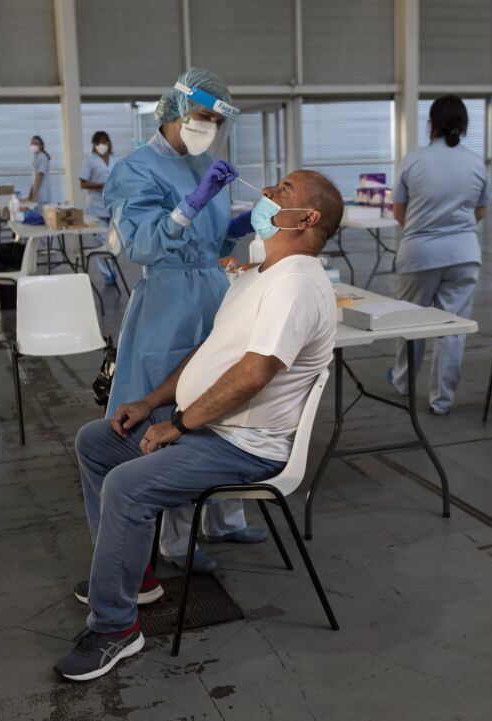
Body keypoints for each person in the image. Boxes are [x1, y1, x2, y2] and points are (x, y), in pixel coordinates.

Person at [55, 169, 344, 682]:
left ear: (307, 218)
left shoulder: (298, 284)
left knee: (127, 484)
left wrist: (181, 424)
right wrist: (149, 402)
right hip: (214, 431)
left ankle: (115, 629)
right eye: (273, 185)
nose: (269, 193)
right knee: (99, 442)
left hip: (247, 446)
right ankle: (133, 576)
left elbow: (254, 374)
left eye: (284, 192)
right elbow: (207, 354)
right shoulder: (260, 274)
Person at [101, 68, 263, 574]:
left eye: (216, 120)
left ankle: (226, 516)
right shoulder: (135, 169)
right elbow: (143, 244)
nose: (208, 127)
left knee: (223, 396)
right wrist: (191, 206)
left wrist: (241, 222)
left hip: (212, 291)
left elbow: (214, 243)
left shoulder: (205, 164)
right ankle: (176, 538)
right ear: (174, 111)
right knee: (173, 411)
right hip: (169, 300)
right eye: (202, 117)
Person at [387, 95, 488, 415]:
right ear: (464, 125)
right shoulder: (475, 162)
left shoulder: (413, 160)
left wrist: (421, 229)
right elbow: (480, 210)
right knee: (452, 328)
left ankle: (404, 384)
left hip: (419, 253)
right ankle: (442, 400)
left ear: (431, 124)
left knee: (412, 320)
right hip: (464, 254)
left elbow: (398, 210)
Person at [78, 131, 118, 285]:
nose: (103, 145)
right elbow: (82, 183)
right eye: (100, 142)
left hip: (112, 206)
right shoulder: (89, 160)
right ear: (95, 144)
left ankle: (111, 270)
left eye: (105, 141)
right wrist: (99, 185)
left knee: (113, 243)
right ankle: (107, 274)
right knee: (100, 243)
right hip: (95, 206)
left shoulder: (114, 159)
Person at [26, 135, 52, 206]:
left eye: (36, 144)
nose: (33, 146)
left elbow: (39, 177)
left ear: (41, 146)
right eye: (32, 144)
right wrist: (30, 195)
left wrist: (34, 196)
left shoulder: (42, 157)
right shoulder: (36, 158)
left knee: (41, 215)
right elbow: (35, 179)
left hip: (42, 196)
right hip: (38, 195)